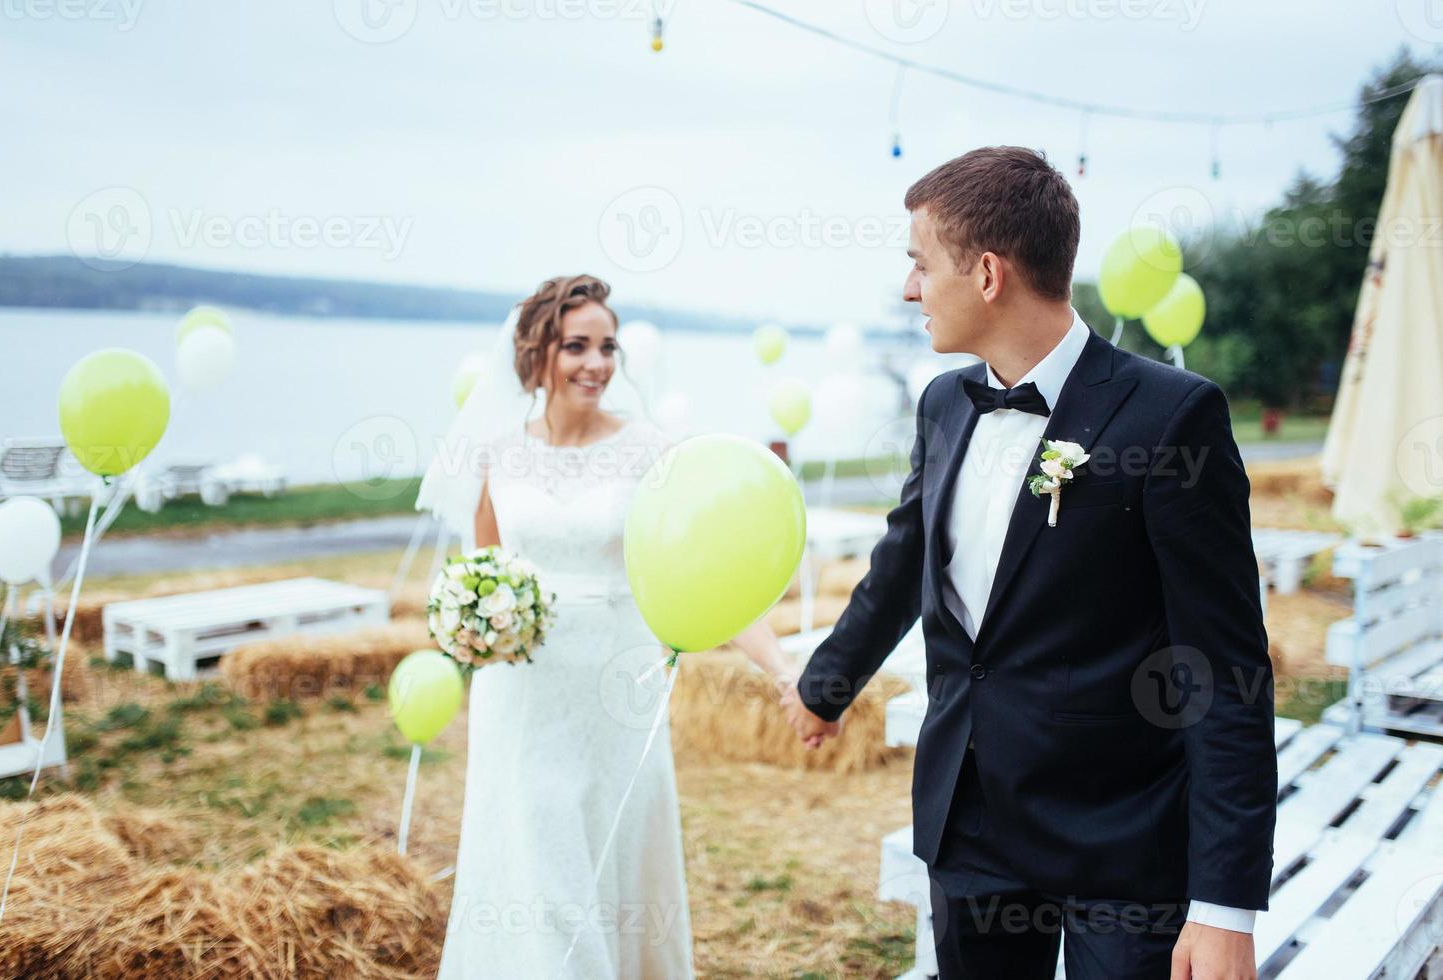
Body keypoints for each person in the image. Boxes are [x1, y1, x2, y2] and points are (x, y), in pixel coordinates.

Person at [780, 147, 1276, 980]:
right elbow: (904, 562)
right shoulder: (943, 405)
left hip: (1124, 845)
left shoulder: (1173, 416)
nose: (909, 290)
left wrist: (1225, 906)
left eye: (918, 264)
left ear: (985, 274)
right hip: (968, 822)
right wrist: (826, 686)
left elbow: (1225, 669)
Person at [421, 274, 794, 979]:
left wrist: (779, 667)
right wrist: (471, 623)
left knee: (608, 847)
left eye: (607, 347)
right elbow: (486, 568)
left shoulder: (649, 451)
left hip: (615, 684)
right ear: (538, 353)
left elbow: (709, 570)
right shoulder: (497, 452)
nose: (596, 364)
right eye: (576, 346)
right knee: (537, 855)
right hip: (521, 691)